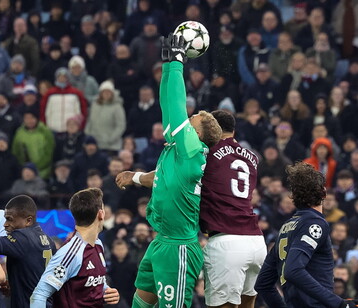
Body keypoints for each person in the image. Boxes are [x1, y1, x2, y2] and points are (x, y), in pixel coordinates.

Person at [115, 34, 222, 308]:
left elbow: (175, 108)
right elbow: (167, 107)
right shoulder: (178, 149)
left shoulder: (193, 151)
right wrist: (166, 66)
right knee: (141, 302)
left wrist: (177, 63)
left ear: (197, 132)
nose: (187, 118)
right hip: (161, 241)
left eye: (192, 118)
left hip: (180, 247)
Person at [254, 162, 358, 308]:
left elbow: (262, 284)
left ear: (294, 196)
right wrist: (340, 304)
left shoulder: (286, 227)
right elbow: (293, 270)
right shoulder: (315, 224)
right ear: (324, 193)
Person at [198, 110, 267, 308]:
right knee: (248, 304)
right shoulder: (252, 158)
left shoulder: (207, 154)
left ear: (213, 128)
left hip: (226, 240)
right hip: (255, 241)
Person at [30, 188, 120, 307]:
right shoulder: (71, 253)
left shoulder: (98, 244)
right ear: (101, 214)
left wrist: (107, 290)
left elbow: (94, 280)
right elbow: (39, 295)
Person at [0, 195, 56, 308]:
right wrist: (15, 285)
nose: (5, 224)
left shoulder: (22, 238)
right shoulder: (49, 240)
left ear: (28, 220)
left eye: (10, 219)